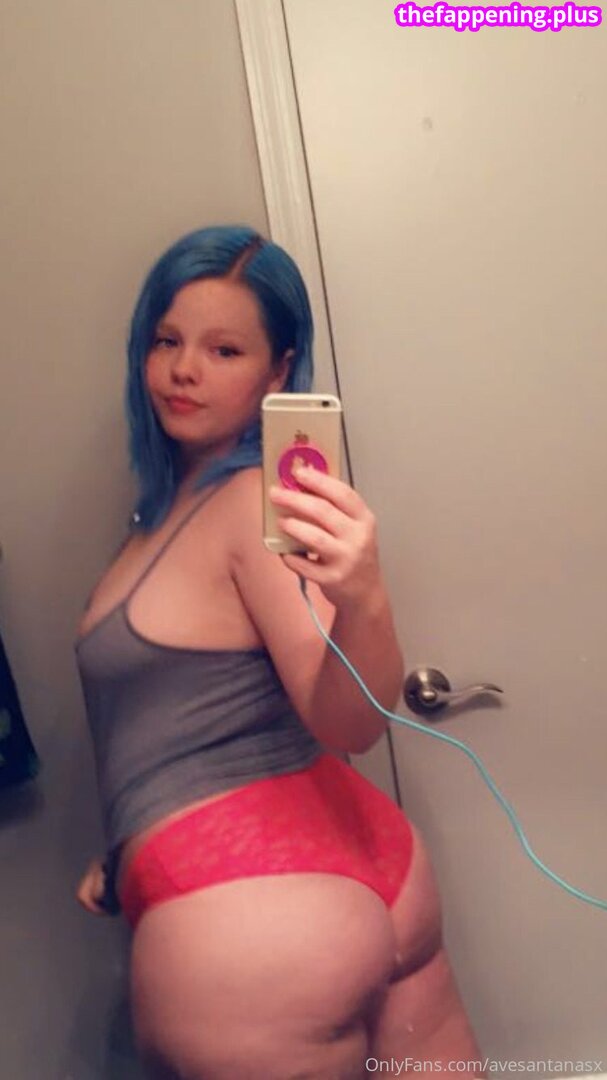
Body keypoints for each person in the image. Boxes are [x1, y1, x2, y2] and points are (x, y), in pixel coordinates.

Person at [75, 225, 482, 1079]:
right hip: (351, 866)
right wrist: (132, 841)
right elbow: (180, 722)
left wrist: (364, 598)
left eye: (223, 349)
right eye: (167, 340)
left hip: (255, 913)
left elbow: (345, 721)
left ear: (277, 370)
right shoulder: (172, 510)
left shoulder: (248, 504)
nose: (184, 369)